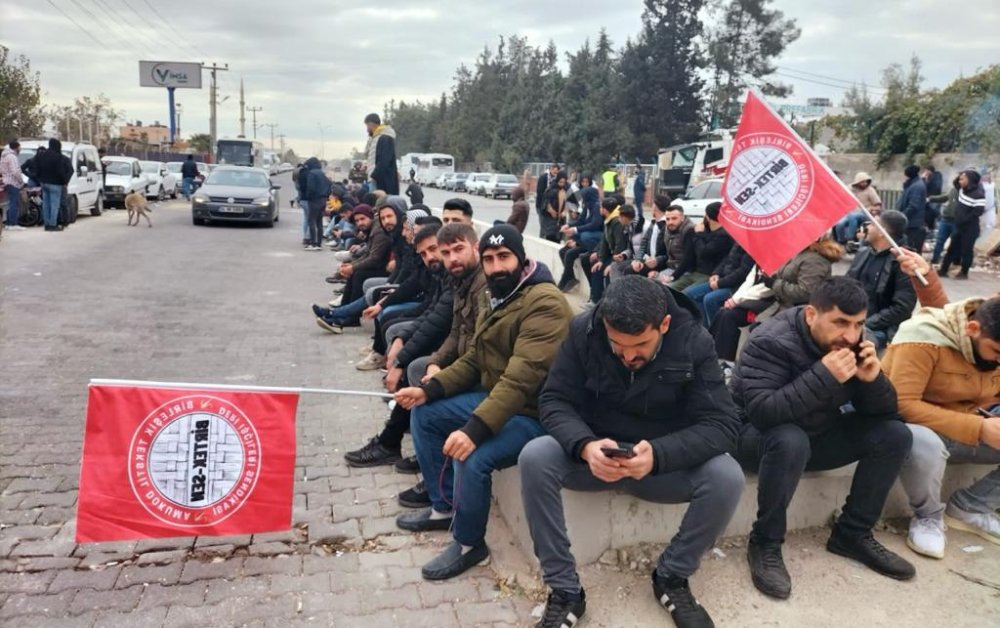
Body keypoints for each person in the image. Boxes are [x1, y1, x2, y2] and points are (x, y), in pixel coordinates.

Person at [523, 276, 743, 628]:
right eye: (617, 344)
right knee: (536, 456)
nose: (628, 356)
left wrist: (659, 455)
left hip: (659, 465)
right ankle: (565, 592)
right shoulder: (584, 330)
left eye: (640, 344)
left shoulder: (693, 339)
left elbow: (722, 424)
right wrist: (585, 446)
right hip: (595, 458)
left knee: (727, 476)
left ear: (665, 325)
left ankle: (671, 577)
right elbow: (554, 399)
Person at [393, 225, 573, 581]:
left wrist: (474, 429)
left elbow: (522, 378)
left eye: (504, 257)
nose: (495, 267)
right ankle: (443, 506)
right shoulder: (500, 294)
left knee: (472, 453)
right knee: (425, 412)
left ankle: (469, 542)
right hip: (499, 398)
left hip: (534, 410)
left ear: (521, 259)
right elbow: (475, 357)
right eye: (489, 260)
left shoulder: (545, 303)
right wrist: (432, 389)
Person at [733, 277, 916, 600]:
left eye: (858, 323)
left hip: (817, 434)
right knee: (790, 439)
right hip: (756, 439)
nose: (850, 334)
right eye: (840, 323)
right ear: (810, 316)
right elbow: (763, 413)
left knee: (894, 434)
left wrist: (873, 381)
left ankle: (852, 534)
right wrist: (824, 376)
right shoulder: (769, 340)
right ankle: (765, 542)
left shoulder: (858, 341)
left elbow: (885, 413)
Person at [885, 295, 1000, 555]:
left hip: (964, 425)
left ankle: (971, 507)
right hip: (910, 426)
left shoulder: (991, 349)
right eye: (996, 351)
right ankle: (927, 517)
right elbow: (902, 404)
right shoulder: (922, 336)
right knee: (926, 444)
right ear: (973, 330)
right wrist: (979, 428)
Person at [342, 222, 452, 468]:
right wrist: (403, 340)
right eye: (423, 253)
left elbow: (440, 320)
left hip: (471, 357)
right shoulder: (445, 274)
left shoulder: (462, 277)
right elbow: (433, 312)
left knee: (416, 365)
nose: (430, 257)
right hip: (453, 342)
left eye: (435, 249)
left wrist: (402, 358)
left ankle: (418, 453)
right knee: (399, 331)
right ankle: (394, 443)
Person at [711, 237, 841, 374]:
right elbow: (772, 277)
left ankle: (741, 366)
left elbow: (805, 292)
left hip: (793, 308)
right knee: (726, 314)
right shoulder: (798, 253)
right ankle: (720, 359)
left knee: (743, 322)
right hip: (776, 303)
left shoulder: (815, 260)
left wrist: (774, 283)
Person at [844, 210, 917, 349]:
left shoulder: (904, 263)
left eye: (871, 224)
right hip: (853, 318)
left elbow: (902, 308)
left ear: (882, 232)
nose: (867, 228)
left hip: (881, 328)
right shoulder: (863, 253)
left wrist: (863, 323)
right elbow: (847, 285)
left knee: (849, 345)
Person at [683, 243, 754, 328]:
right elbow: (726, 260)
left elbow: (742, 274)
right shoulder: (737, 243)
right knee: (690, 294)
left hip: (736, 287)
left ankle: (715, 331)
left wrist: (719, 283)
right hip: (722, 279)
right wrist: (716, 273)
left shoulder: (751, 250)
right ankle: (704, 327)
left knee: (710, 299)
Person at [669, 202, 733, 292]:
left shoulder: (723, 235)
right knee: (670, 289)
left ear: (707, 217)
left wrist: (698, 234)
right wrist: (673, 276)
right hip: (695, 272)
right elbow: (689, 256)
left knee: (685, 294)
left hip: (709, 274)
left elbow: (704, 252)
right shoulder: (706, 231)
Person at [609, 195, 672, 282]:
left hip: (659, 263)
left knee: (629, 270)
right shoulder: (654, 223)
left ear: (656, 207)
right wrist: (638, 260)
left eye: (653, 205)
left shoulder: (665, 225)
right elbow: (644, 243)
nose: (651, 207)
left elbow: (668, 252)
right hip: (646, 259)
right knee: (618, 267)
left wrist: (655, 260)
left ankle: (623, 293)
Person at [939, 169, 986, 280]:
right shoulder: (962, 190)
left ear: (970, 180)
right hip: (959, 226)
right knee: (952, 248)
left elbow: (978, 212)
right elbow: (955, 183)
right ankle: (943, 270)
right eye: (960, 178)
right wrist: (963, 173)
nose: (960, 181)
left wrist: (964, 219)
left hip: (970, 228)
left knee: (966, 250)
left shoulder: (978, 194)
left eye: (963, 179)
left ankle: (964, 272)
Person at [584, 201, 632, 305]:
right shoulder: (608, 220)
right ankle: (595, 297)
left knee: (602, 270)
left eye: (601, 207)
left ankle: (598, 301)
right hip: (612, 254)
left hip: (619, 256)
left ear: (605, 210)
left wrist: (611, 263)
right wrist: (600, 259)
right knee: (594, 264)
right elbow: (605, 242)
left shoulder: (616, 222)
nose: (600, 210)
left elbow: (620, 245)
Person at [557, 184, 602, 292]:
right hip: (585, 240)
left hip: (593, 240)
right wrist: (569, 225)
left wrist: (576, 230)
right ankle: (570, 278)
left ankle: (565, 280)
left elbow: (594, 225)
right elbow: (580, 221)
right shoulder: (587, 206)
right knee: (564, 252)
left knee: (581, 236)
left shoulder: (596, 206)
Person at [33, 138, 72, 232]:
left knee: (46, 204)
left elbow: (36, 169)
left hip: (44, 183)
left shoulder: (41, 155)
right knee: (54, 205)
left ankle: (46, 224)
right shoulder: (58, 157)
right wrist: (64, 181)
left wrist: (39, 179)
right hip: (55, 183)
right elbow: (60, 171)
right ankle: (52, 224)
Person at [834, 172, 882, 246]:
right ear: (858, 182)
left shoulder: (870, 190)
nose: (865, 183)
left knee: (853, 216)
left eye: (866, 181)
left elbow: (877, 204)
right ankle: (841, 241)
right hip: (849, 212)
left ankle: (850, 239)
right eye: (863, 182)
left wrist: (874, 210)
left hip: (865, 213)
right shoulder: (849, 188)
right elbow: (841, 199)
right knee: (840, 223)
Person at [928, 175, 961, 265]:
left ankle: (954, 262)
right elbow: (944, 197)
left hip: (957, 221)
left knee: (955, 243)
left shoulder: (967, 192)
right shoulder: (953, 190)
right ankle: (935, 260)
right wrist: (930, 198)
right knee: (940, 241)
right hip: (946, 219)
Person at [364, 113, 399, 195]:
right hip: (375, 179)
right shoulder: (375, 138)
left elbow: (384, 160)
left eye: (367, 126)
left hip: (380, 181)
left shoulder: (385, 138)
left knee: (378, 204)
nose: (367, 129)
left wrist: (374, 175)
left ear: (372, 124)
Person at [897, 164, 928, 254]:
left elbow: (913, 206)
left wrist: (901, 217)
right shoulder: (912, 184)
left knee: (912, 251)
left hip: (913, 225)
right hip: (910, 223)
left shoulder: (917, 186)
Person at [301, 157, 331, 251]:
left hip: (314, 200)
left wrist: (308, 196)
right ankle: (319, 243)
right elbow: (329, 184)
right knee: (319, 222)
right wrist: (326, 196)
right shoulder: (322, 173)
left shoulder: (312, 173)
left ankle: (313, 243)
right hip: (323, 200)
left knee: (311, 221)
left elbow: (311, 188)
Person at [1, 140, 25, 231]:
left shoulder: (4, 156)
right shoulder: (12, 157)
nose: (20, 149)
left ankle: (8, 223)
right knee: (14, 203)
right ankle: (13, 223)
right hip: (13, 182)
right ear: (17, 147)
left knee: (9, 203)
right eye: (20, 147)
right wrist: (21, 181)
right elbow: (15, 171)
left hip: (6, 181)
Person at [541, 171, 570, 242]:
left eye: (564, 182)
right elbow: (545, 202)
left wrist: (565, 211)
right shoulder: (550, 189)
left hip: (560, 219)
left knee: (558, 237)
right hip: (550, 219)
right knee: (550, 237)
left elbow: (571, 202)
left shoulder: (568, 189)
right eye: (560, 182)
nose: (562, 184)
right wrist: (550, 210)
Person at [535, 163, 559, 238]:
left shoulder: (556, 179)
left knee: (549, 226)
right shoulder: (544, 178)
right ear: (551, 169)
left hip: (551, 206)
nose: (555, 174)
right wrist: (546, 206)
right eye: (554, 172)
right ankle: (541, 239)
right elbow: (540, 193)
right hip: (541, 205)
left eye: (557, 173)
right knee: (543, 225)